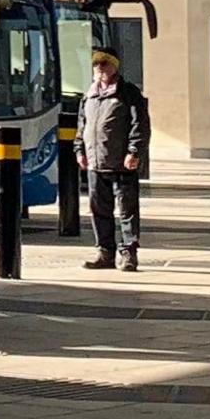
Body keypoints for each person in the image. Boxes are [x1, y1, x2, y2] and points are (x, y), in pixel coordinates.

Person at [77, 47, 143, 269]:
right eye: (96, 64)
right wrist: (80, 150)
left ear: (114, 66)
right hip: (96, 164)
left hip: (121, 164)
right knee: (99, 210)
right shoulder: (90, 95)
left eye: (104, 63)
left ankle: (128, 253)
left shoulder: (128, 93)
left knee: (127, 210)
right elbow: (82, 125)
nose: (99, 68)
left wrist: (134, 151)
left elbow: (139, 125)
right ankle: (105, 252)